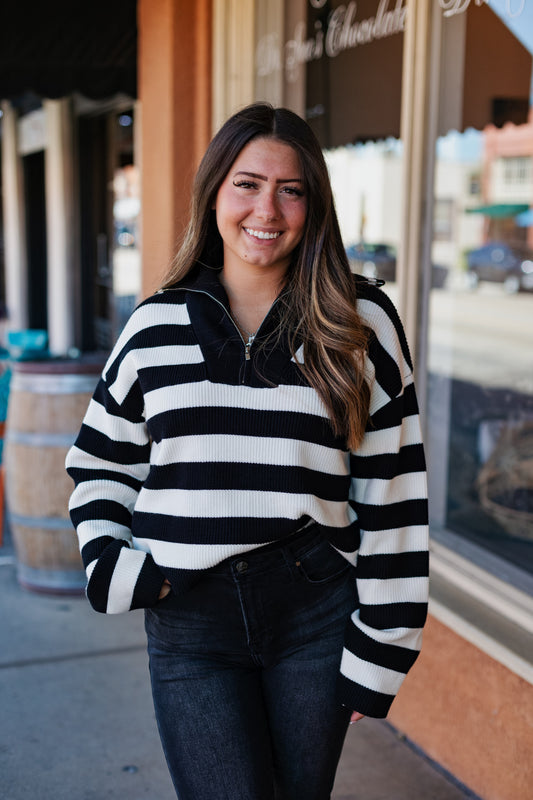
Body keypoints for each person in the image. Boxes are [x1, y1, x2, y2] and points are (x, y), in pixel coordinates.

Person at [66, 102, 429, 800]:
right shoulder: (155, 327)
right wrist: (113, 564)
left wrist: (381, 648)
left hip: (313, 615)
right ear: (213, 192)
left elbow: (393, 493)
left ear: (313, 205)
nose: (269, 207)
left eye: (291, 189)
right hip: (190, 618)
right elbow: (100, 463)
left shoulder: (360, 325)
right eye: (247, 183)